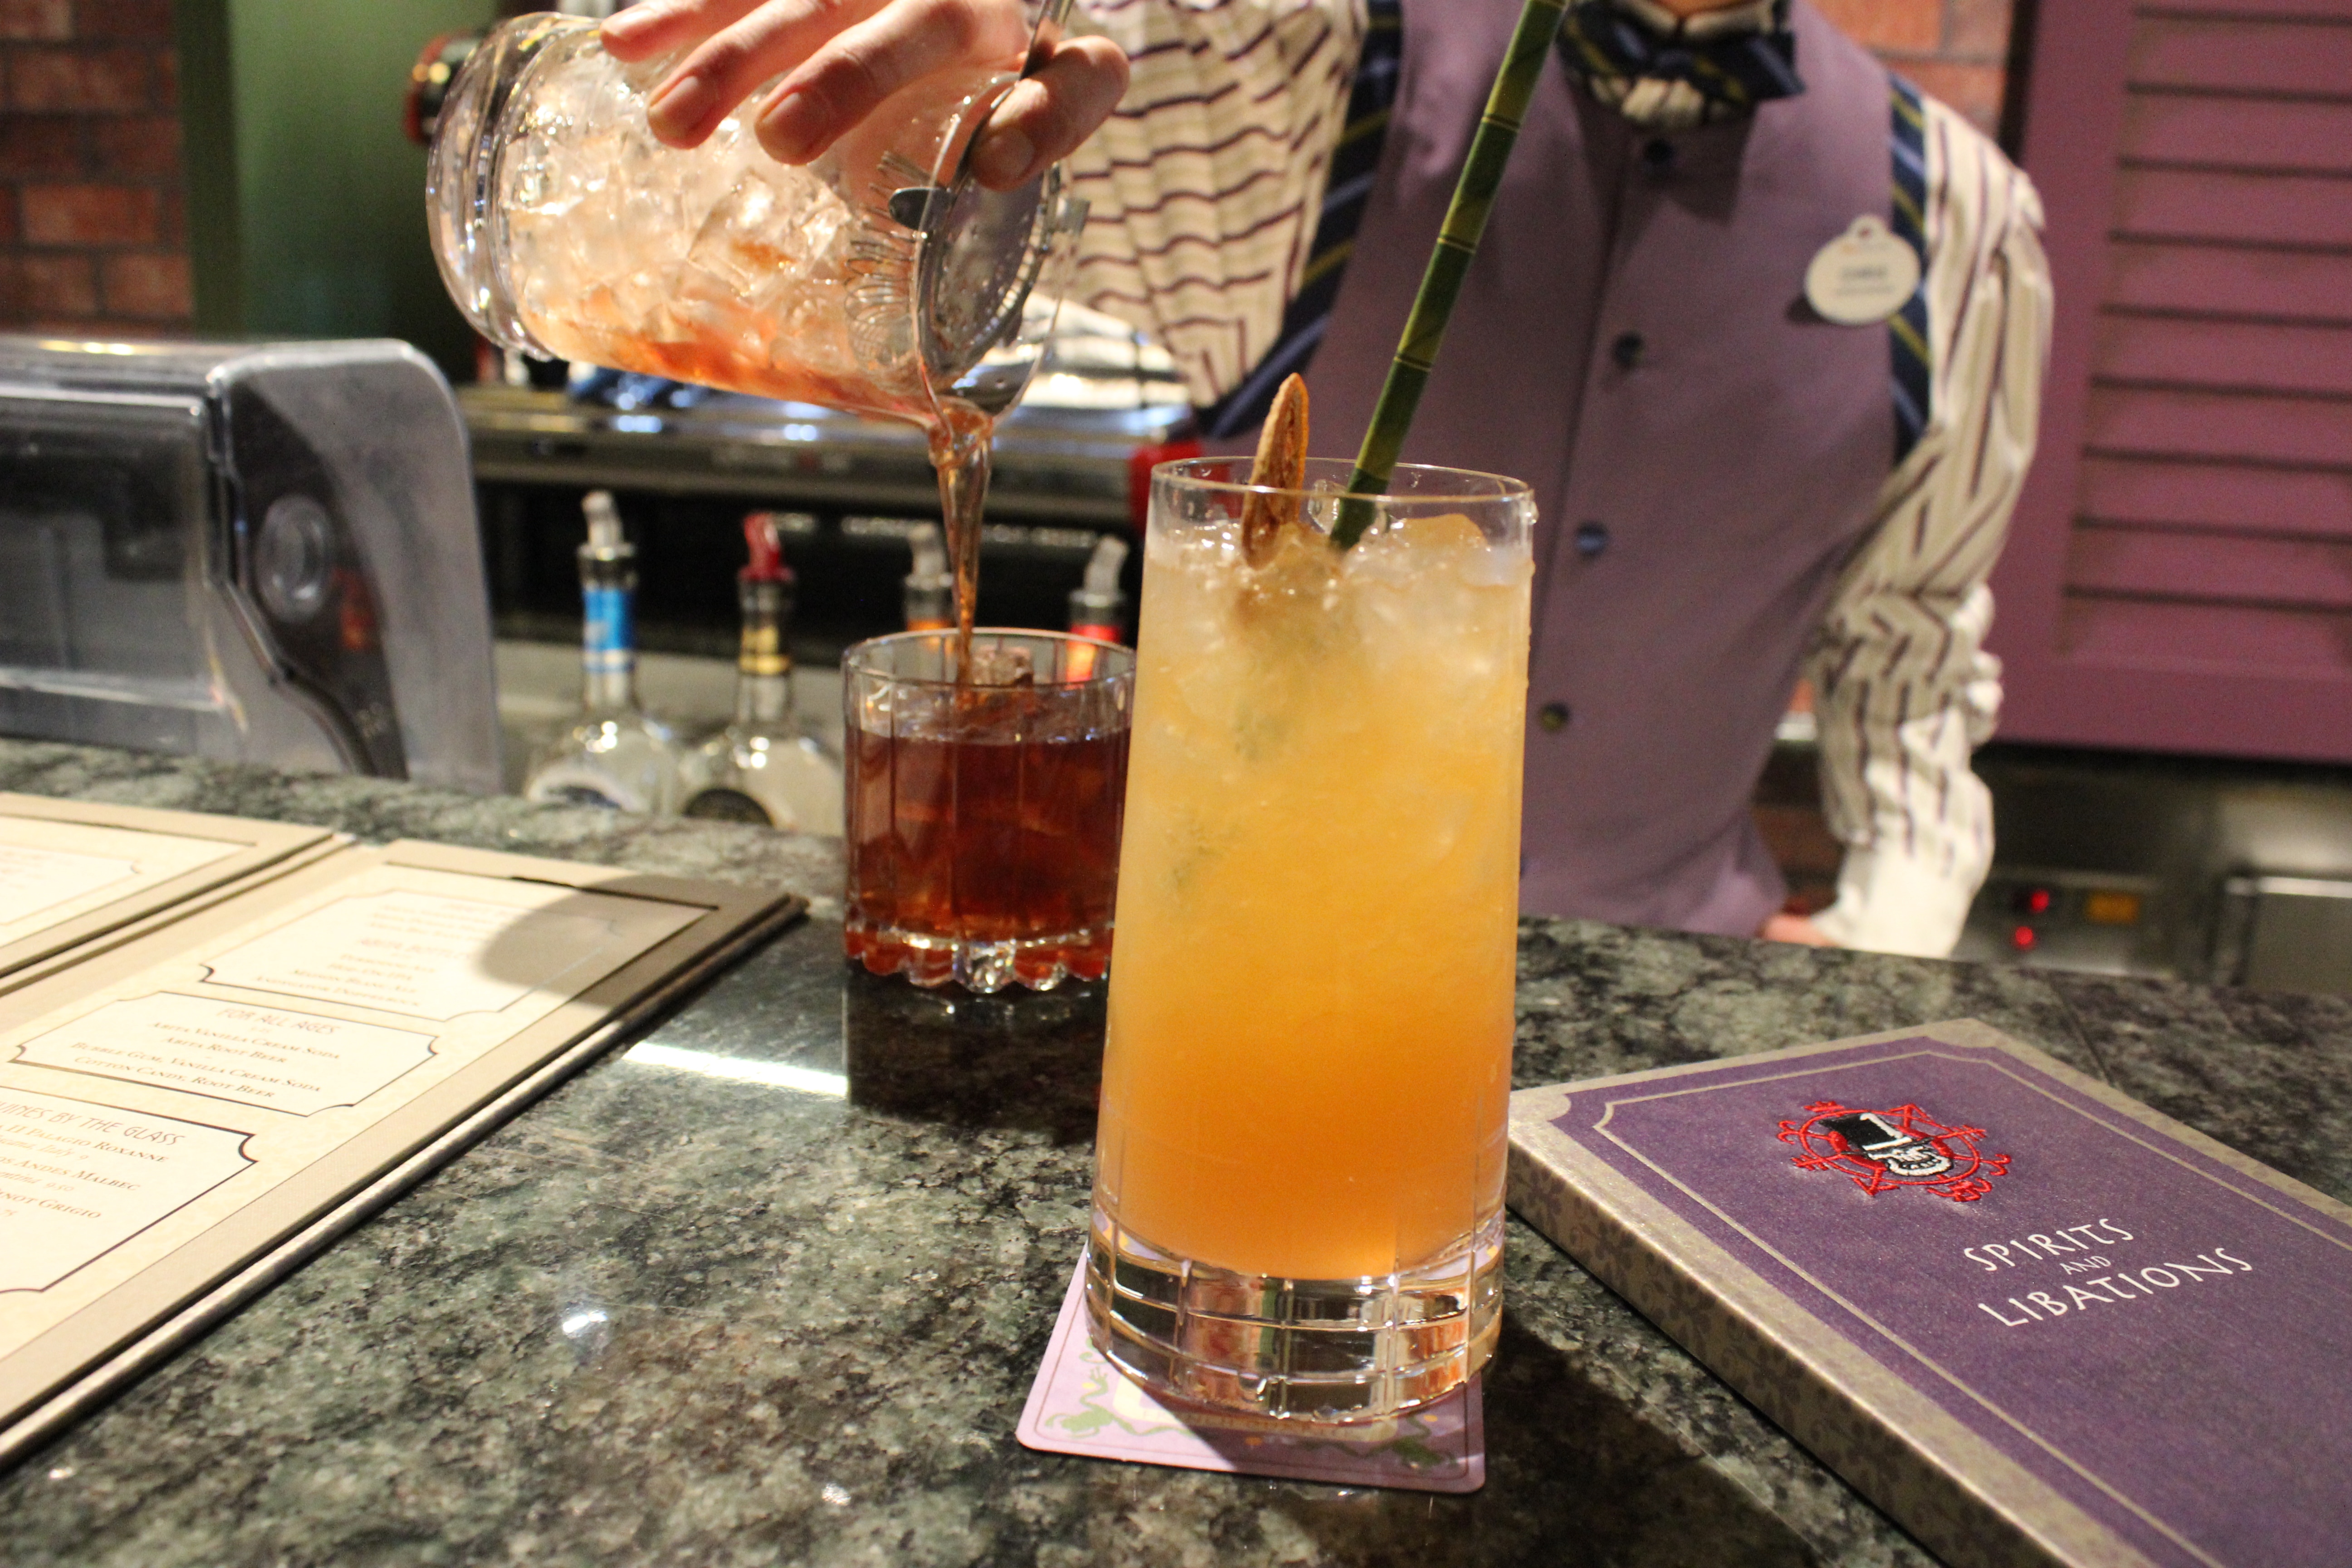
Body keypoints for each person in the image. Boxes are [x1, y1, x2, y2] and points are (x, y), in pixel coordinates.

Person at [602, 0, 2052, 959]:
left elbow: (1909, 649)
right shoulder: (1323, 73)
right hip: (1254, 990)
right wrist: (1014, 42)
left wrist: (1883, 954)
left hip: (1673, 1010)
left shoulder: (1965, 219)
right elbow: (1125, 58)